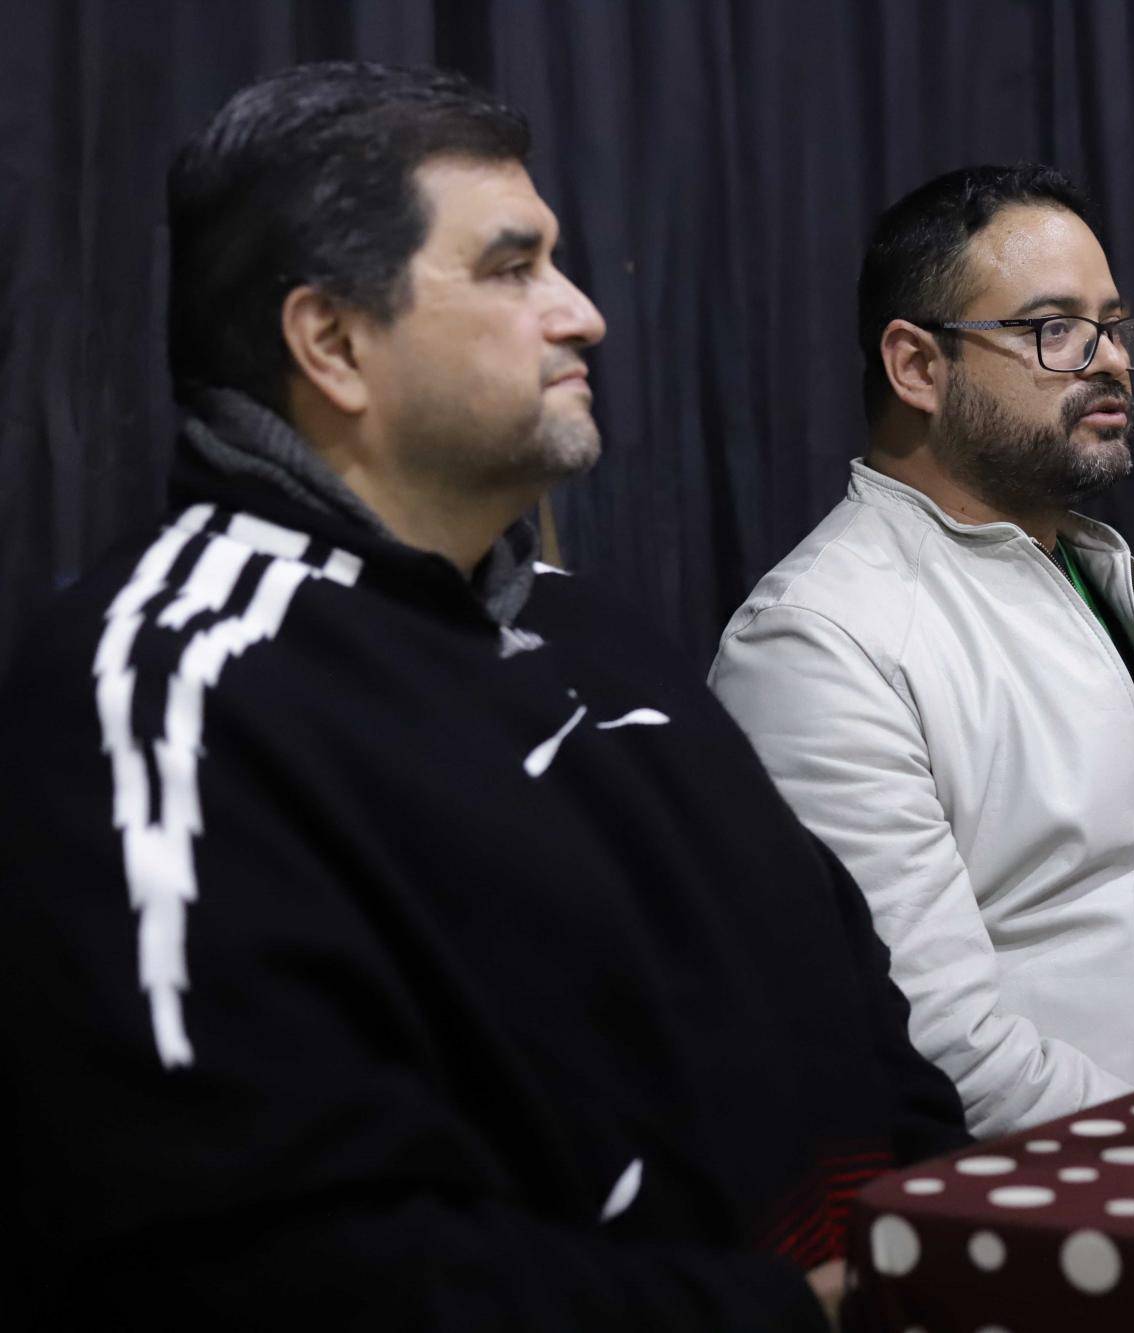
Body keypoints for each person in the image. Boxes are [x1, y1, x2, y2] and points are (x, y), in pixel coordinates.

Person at [0, 62, 966, 1331]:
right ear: (333, 343)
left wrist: (927, 1247)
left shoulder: (601, 638)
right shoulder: (163, 691)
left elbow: (856, 1004)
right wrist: (791, 1315)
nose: (584, 315)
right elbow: (258, 1265)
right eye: (514, 269)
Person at [709, 164, 1134, 1139]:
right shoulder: (814, 642)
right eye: (1055, 329)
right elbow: (943, 1049)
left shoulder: (1127, 600)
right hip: (1065, 1190)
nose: (1110, 361)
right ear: (916, 366)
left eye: (1113, 327)